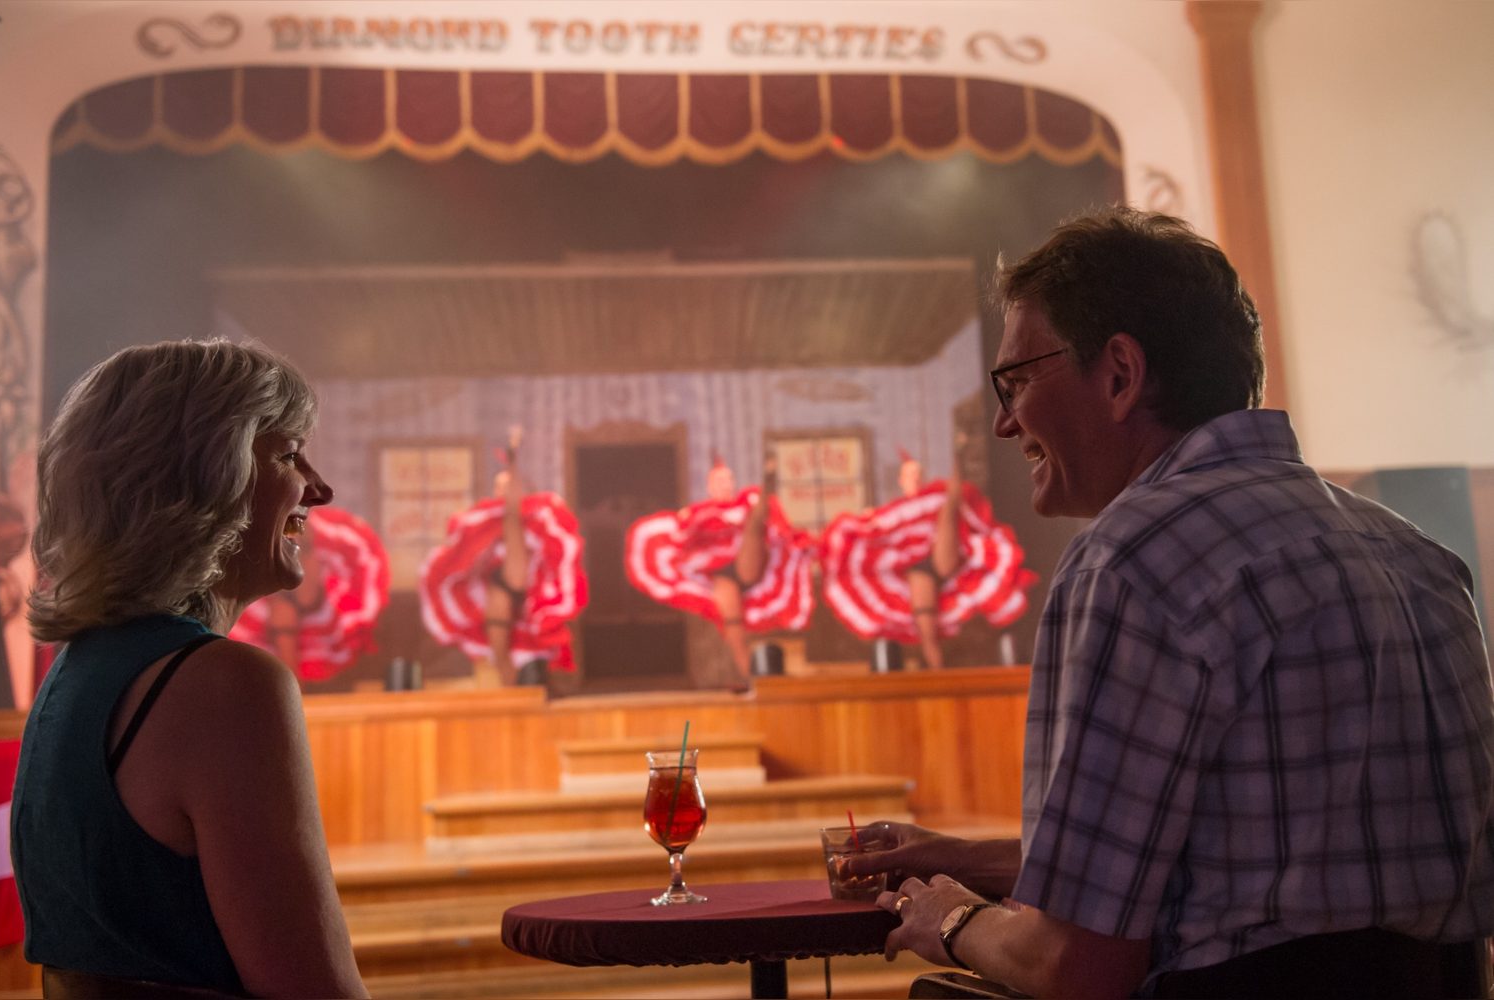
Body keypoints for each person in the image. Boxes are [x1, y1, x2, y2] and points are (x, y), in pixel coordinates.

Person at [848, 208, 1494, 998]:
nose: (1004, 420)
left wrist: (951, 919)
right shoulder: (1422, 558)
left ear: (1120, 374)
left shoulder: (1134, 559)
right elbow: (1256, 861)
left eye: (1016, 380)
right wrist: (962, 858)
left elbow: (1078, 966)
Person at [11, 340, 367, 998]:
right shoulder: (224, 686)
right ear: (206, 476)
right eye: (289, 454)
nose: (320, 488)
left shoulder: (77, 672)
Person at [819, 436, 1035, 670]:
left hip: (947, 555)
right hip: (919, 568)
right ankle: (937, 671)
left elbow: (955, 512)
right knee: (927, 628)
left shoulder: (936, 499)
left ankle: (957, 458)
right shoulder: (896, 512)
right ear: (902, 480)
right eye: (909, 475)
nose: (915, 478)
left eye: (917, 473)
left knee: (948, 520)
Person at [625, 452, 814, 689]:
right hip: (718, 573)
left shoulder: (746, 503)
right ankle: (748, 675)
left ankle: (769, 484)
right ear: (709, 485)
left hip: (747, 561)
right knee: (731, 617)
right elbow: (684, 537)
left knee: (754, 527)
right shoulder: (699, 512)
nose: (726, 485)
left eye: (729, 480)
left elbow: (772, 525)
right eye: (719, 481)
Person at [419, 426, 588, 687]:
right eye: (499, 487)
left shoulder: (534, 522)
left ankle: (520, 678)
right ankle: (507, 676)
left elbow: (518, 523)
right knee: (500, 612)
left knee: (514, 574)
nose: (502, 491)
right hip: (499, 582)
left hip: (524, 580)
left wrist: (513, 460)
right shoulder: (487, 526)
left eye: (507, 486)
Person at [229, 504, 390, 684]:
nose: (297, 562)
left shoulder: (350, 616)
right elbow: (287, 694)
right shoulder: (258, 618)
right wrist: (285, 632)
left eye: (303, 549)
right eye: (285, 549)